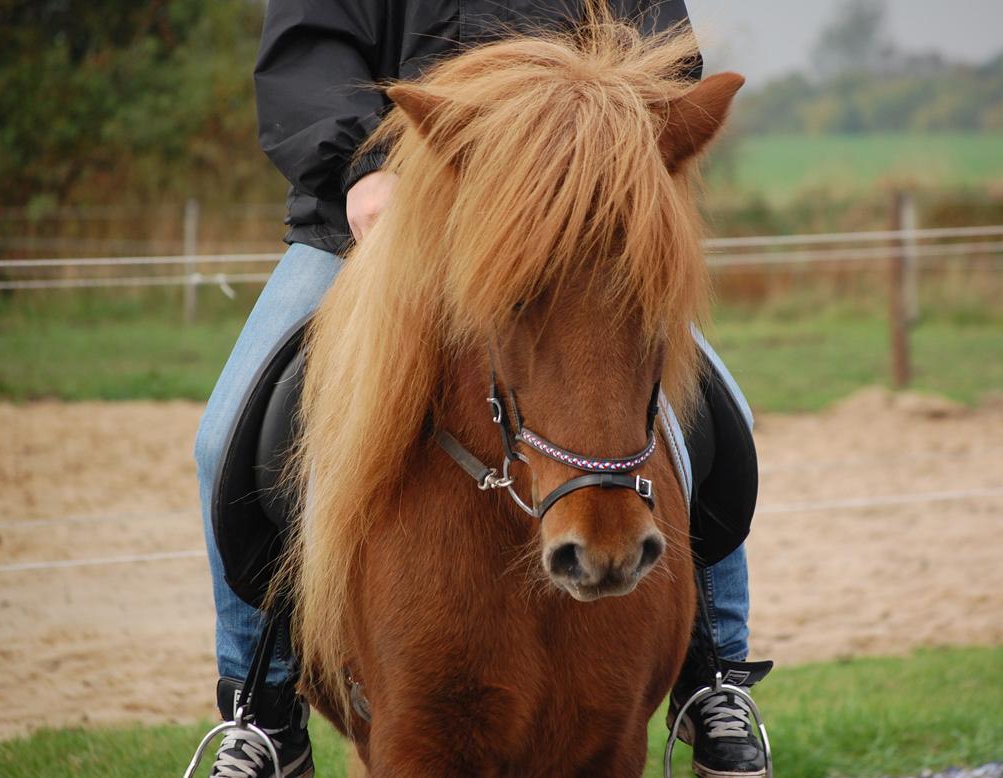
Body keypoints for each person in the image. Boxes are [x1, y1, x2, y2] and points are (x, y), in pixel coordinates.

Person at [193, 2, 768, 777]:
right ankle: (260, 708)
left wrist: (616, 137)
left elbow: (664, 50)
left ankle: (715, 674)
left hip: (578, 211)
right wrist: (360, 167)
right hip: (387, 205)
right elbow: (310, 50)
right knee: (226, 433)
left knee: (714, 407)